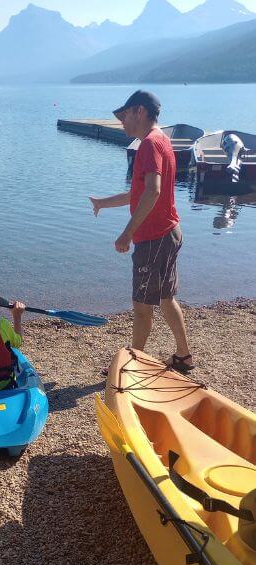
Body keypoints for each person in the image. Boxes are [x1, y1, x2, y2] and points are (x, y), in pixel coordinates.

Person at [89, 90, 194, 373]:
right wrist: (103, 203)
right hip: (170, 232)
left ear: (140, 111)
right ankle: (183, 356)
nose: (122, 122)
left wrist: (126, 234)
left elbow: (152, 192)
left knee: (141, 305)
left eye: (124, 116)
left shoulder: (148, 144)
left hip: (154, 238)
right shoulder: (162, 141)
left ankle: (132, 363)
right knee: (165, 298)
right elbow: (140, 192)